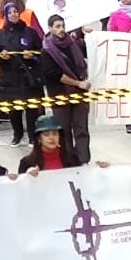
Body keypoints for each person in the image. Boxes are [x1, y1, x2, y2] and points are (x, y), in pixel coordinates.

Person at [0, 0, 48, 146]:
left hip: (28, 77)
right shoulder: (0, 34)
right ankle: (17, 135)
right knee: (14, 110)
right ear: (5, 15)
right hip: (10, 78)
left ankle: (32, 136)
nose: (13, 15)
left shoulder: (30, 32)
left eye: (15, 12)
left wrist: (33, 56)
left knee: (31, 109)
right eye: (10, 12)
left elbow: (42, 51)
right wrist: (0, 56)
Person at [39, 15, 92, 164]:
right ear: (50, 28)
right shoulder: (47, 50)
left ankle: (83, 160)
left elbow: (87, 57)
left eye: (62, 25)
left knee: (81, 129)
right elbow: (53, 74)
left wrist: (91, 37)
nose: (61, 29)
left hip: (79, 95)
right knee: (64, 131)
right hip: (60, 95)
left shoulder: (73, 44)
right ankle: (68, 161)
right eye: (57, 26)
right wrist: (77, 83)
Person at [16, 113, 86, 179]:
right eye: (46, 135)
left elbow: (82, 181)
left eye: (55, 134)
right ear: (39, 138)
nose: (51, 138)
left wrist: (96, 171)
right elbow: (20, 188)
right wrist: (27, 177)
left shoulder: (73, 159)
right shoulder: (27, 163)